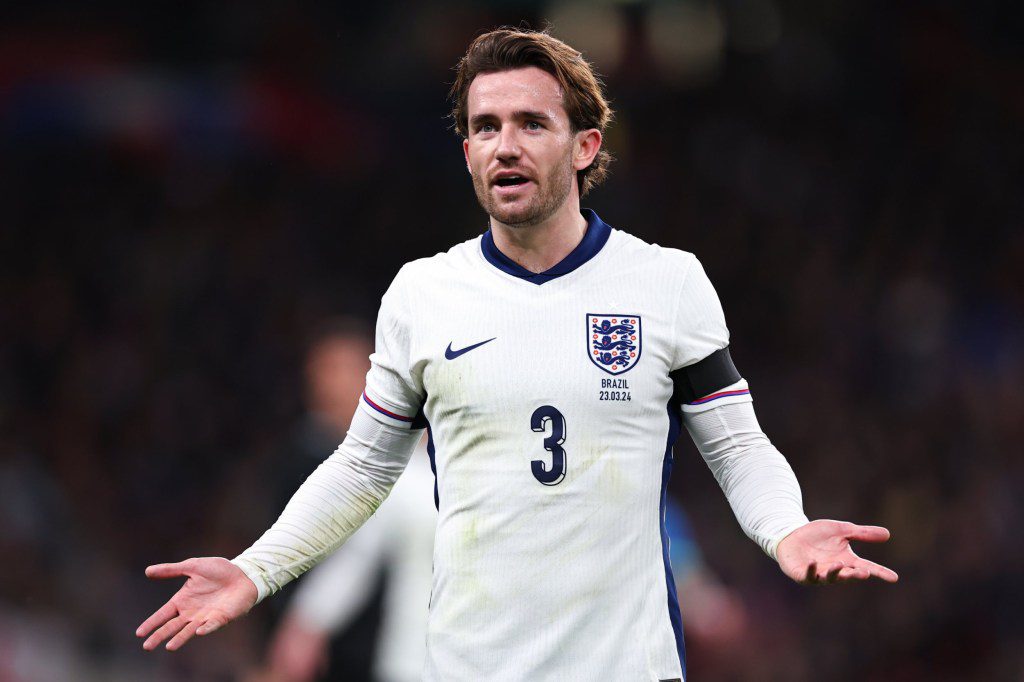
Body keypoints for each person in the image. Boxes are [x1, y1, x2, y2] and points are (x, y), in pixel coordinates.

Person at [137, 28, 898, 681]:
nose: (506, 144)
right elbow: (363, 467)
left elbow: (735, 444)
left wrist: (786, 527)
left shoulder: (667, 283)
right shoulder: (423, 294)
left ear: (584, 146)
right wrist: (254, 571)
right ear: (467, 150)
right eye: (486, 125)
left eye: (532, 123)